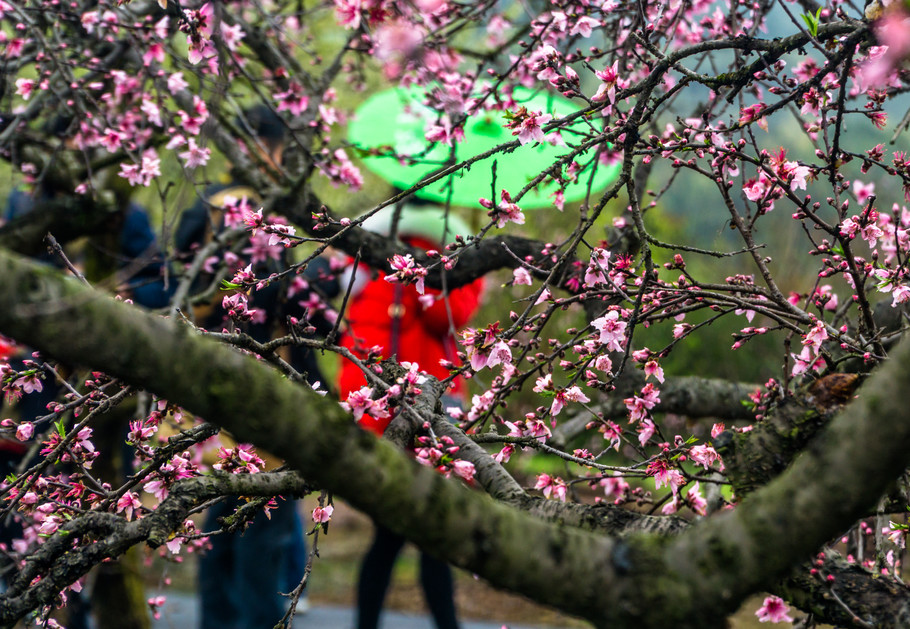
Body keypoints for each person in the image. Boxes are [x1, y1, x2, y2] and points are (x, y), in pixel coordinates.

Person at [177, 105, 334, 629]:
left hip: (215, 395)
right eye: (280, 145)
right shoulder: (258, 211)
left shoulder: (213, 208)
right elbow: (308, 311)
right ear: (265, 146)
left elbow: (170, 289)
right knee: (251, 549)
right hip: (264, 397)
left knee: (228, 537)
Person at [338, 201, 484, 629]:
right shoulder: (448, 255)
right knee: (423, 535)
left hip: (383, 409)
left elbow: (356, 343)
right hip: (424, 411)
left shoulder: (365, 255)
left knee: (394, 535)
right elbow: (445, 317)